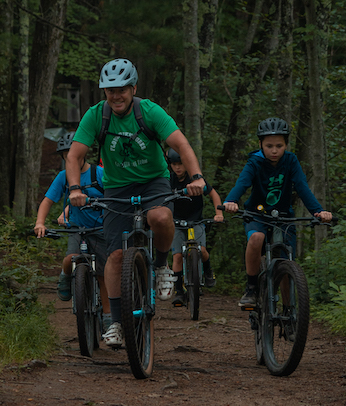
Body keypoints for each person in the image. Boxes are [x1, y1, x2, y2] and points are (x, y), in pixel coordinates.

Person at [66, 58, 206, 348]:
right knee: (116, 256)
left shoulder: (149, 111)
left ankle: (162, 265)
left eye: (122, 89)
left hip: (154, 180)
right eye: (109, 90)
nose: (116, 96)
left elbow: (181, 145)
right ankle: (116, 321)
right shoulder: (96, 115)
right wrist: (75, 188)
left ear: (133, 88)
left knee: (161, 218)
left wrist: (197, 178)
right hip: (116, 186)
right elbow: (74, 156)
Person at [222, 116, 333, 308]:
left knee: (285, 260)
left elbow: (302, 187)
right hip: (256, 214)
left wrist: (318, 211)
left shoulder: (290, 161)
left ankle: (290, 313)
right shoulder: (254, 162)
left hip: (283, 216)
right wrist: (230, 201)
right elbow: (243, 183)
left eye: (279, 146)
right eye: (269, 146)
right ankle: (251, 288)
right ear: (260, 144)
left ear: (286, 145)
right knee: (256, 238)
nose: (274, 151)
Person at [34, 132, 110, 328]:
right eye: (65, 155)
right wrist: (40, 223)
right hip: (77, 229)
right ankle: (65, 277)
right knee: (70, 258)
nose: (70, 157)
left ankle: (109, 319)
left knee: (104, 274)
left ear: (83, 153)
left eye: (73, 153)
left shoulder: (99, 173)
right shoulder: (63, 177)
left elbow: (112, 197)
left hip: (100, 229)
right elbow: (48, 201)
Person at [166, 148, 224, 307]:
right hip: (177, 222)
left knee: (202, 250)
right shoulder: (168, 181)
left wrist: (219, 213)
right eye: (174, 164)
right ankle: (179, 291)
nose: (178, 168)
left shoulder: (196, 180)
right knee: (177, 256)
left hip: (196, 221)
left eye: (181, 164)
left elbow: (213, 194)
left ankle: (208, 271)